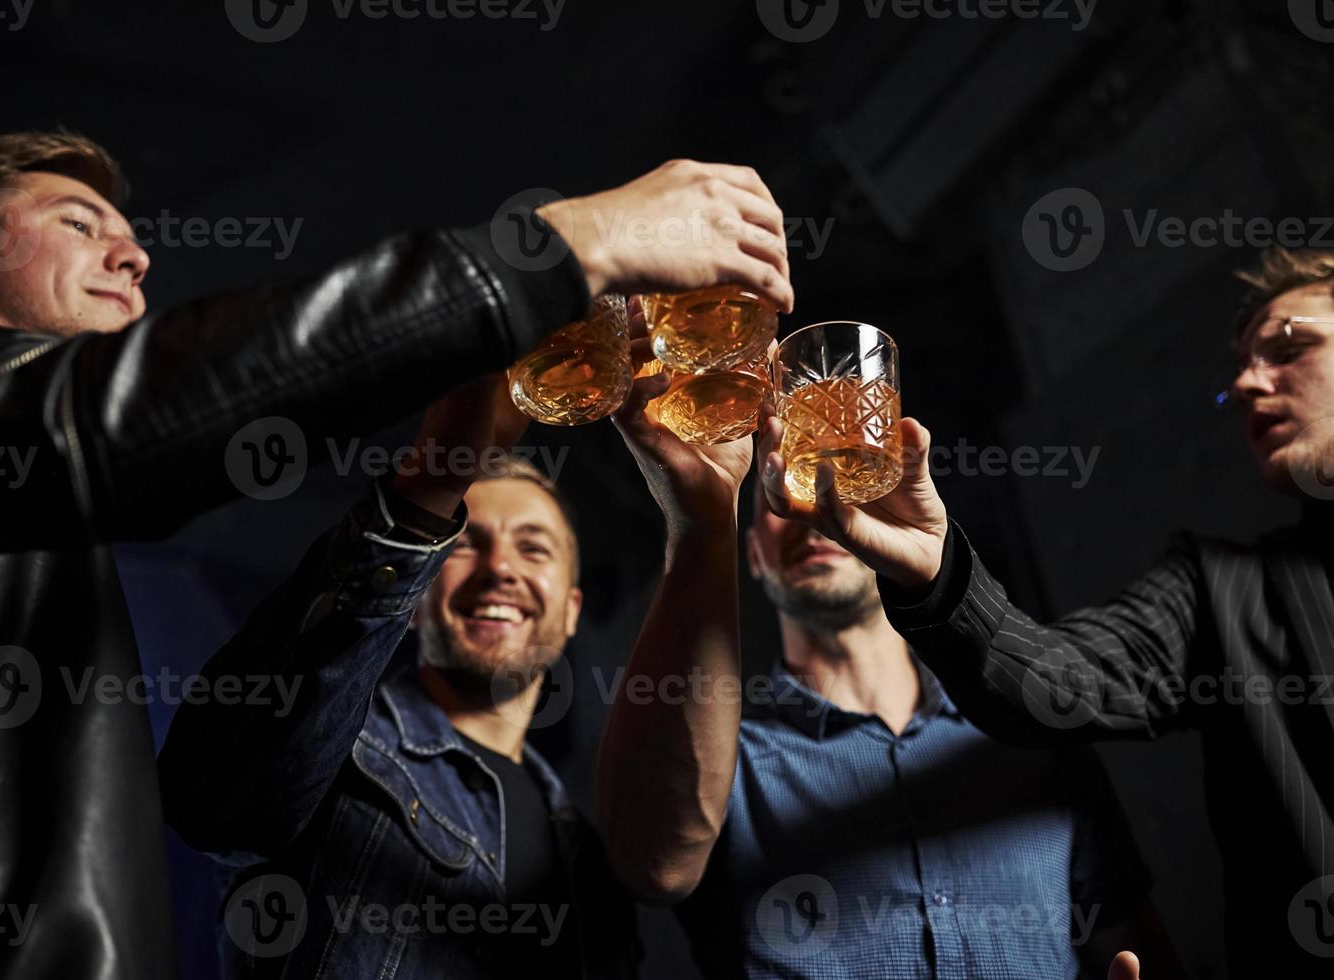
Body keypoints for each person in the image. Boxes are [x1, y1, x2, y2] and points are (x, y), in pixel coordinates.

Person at [0, 129, 792, 979]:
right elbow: (107, 431)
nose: (136, 255)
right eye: (78, 222)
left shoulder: (572, 838)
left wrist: (704, 516)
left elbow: (668, 859)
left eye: (536, 546)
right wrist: (560, 249)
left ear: (578, 606)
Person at [753, 245, 1334, 976]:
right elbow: (1051, 686)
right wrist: (935, 569)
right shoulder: (1223, 595)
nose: (1248, 383)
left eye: (1289, 348)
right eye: (1242, 365)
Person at [596, 332, 1176, 978]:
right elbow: (653, 865)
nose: (813, 504)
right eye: (783, 488)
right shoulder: (723, 762)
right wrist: (702, 520)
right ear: (754, 554)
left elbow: (1138, 943)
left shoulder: (1029, 726)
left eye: (831, 470)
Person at [158, 380, 638, 976]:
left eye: (534, 549)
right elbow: (212, 803)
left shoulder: (588, 857)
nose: (501, 569)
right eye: (467, 545)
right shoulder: (335, 756)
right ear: (416, 595)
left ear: (570, 610)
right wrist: (429, 487)